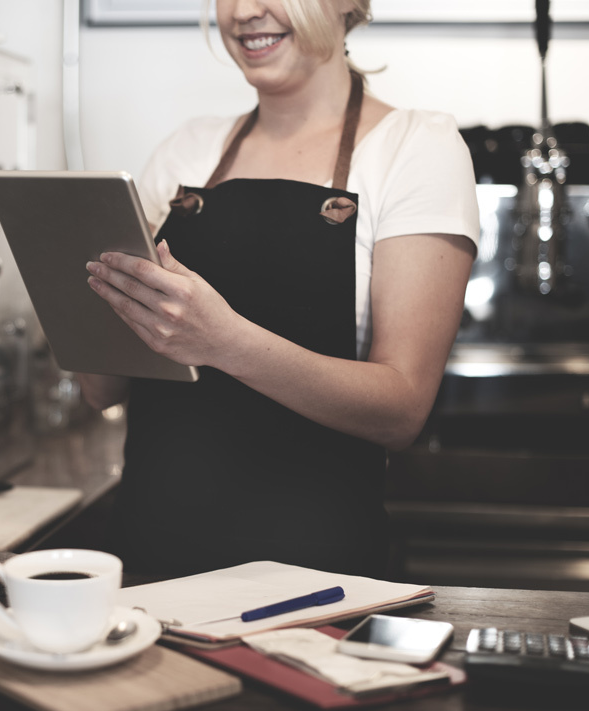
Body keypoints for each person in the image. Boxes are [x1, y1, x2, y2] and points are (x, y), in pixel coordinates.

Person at [79, 0, 479, 578]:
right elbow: (103, 389)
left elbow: (401, 411)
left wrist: (224, 342)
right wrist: (75, 277)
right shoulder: (187, 151)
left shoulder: (415, 147)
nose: (244, 11)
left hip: (314, 576)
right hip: (149, 558)